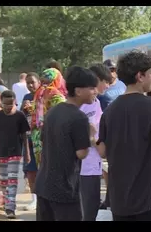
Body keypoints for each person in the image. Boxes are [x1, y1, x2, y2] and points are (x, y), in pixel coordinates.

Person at [97, 50, 151, 221]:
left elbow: (102, 151)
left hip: (119, 193)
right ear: (140, 76)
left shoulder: (109, 111)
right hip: (149, 192)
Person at [35, 66, 98, 221]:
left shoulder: (53, 111)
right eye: (91, 88)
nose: (95, 91)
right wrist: (91, 135)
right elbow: (81, 153)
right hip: (65, 187)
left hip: (44, 184)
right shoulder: (79, 118)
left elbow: (44, 140)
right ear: (78, 91)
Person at [0, 90, 31, 219]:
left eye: (11, 104)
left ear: (15, 102)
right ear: (1, 102)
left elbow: (24, 136)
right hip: (1, 153)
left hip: (15, 152)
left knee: (12, 180)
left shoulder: (20, 116)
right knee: (4, 181)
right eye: (6, 104)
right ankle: (8, 202)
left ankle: (10, 208)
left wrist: (27, 153)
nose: (8, 107)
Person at [78, 64, 112, 221]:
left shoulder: (97, 102)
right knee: (86, 212)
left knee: (91, 211)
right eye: (107, 81)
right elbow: (85, 132)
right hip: (83, 167)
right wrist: (95, 143)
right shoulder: (81, 104)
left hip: (94, 165)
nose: (108, 86)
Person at [98, 59, 126, 209]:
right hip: (108, 131)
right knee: (107, 168)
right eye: (109, 69)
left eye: (114, 69)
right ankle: (110, 197)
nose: (112, 72)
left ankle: (117, 197)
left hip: (124, 130)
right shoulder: (103, 88)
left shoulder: (123, 85)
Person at [30, 68, 67, 169]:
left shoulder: (39, 93)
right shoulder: (55, 94)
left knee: (41, 168)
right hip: (51, 134)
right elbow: (62, 113)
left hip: (37, 135)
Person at [20, 72, 41, 211]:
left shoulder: (45, 95)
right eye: (28, 83)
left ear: (39, 82)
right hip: (28, 138)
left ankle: (44, 197)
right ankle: (34, 199)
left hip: (41, 138)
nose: (30, 85)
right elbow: (21, 118)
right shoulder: (26, 97)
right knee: (31, 170)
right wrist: (23, 108)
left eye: (33, 82)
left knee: (43, 168)